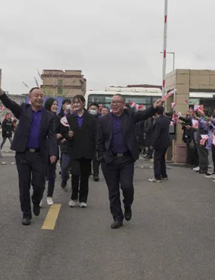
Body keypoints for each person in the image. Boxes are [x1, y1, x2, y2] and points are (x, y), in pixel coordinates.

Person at [0, 81, 57, 226]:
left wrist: (53, 153)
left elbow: (51, 136)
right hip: (23, 154)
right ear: (30, 97)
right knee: (24, 184)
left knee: (39, 185)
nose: (39, 98)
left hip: (40, 155)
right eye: (36, 95)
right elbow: (8, 103)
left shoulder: (49, 116)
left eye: (41, 95)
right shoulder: (23, 110)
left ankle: (35, 200)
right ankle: (26, 213)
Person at [96, 94, 162, 229]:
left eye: (117, 102)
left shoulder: (130, 115)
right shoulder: (103, 120)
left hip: (126, 159)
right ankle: (117, 217)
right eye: (112, 102)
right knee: (113, 191)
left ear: (123, 104)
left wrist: (154, 107)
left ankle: (127, 205)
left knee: (127, 186)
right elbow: (99, 140)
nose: (114, 104)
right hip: (109, 160)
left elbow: (143, 115)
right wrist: (102, 155)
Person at [66, 95, 97, 208]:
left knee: (85, 176)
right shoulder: (69, 118)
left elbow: (95, 135)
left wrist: (95, 150)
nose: (75, 104)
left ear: (83, 103)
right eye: (74, 102)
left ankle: (83, 199)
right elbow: (65, 134)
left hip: (87, 152)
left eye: (78, 102)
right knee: (75, 174)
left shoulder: (91, 118)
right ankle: (74, 197)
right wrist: (68, 135)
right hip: (74, 151)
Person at [44, 98, 60, 206]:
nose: (55, 106)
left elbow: (63, 131)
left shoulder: (58, 118)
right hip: (42, 148)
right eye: (53, 104)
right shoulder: (43, 116)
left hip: (53, 148)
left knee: (51, 175)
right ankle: (39, 195)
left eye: (56, 104)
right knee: (40, 174)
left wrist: (61, 135)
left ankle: (49, 196)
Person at [148, 105, 170, 183]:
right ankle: (164, 175)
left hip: (159, 143)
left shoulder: (158, 121)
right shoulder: (166, 119)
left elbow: (156, 134)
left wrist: (153, 144)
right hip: (166, 142)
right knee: (162, 159)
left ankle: (157, 177)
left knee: (157, 159)